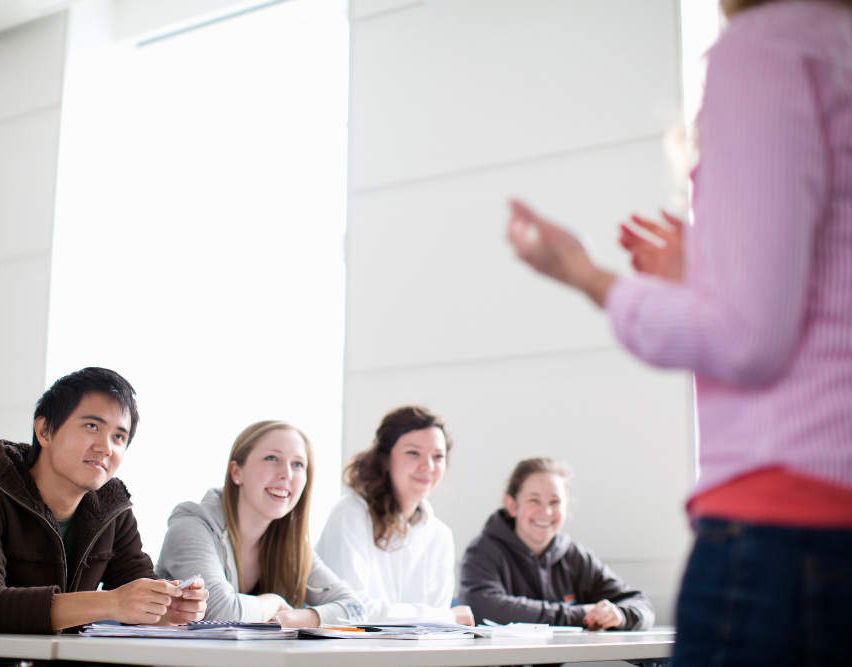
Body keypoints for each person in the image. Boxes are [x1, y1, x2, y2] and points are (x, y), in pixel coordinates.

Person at [506, 0, 852, 663]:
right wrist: (708, 272)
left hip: (786, 532)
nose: (548, 509)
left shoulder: (769, 48)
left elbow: (747, 338)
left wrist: (589, 277)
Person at [0, 367, 209, 634]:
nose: (105, 447)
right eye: (91, 426)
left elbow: (134, 589)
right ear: (45, 431)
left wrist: (170, 609)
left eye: (119, 436)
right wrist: (110, 603)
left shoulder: (113, 508)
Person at [156, 421, 365, 626]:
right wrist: (272, 603)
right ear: (237, 472)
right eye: (272, 458)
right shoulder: (192, 524)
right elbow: (220, 613)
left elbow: (355, 609)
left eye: (298, 464)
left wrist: (286, 619)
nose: (287, 474)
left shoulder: (291, 545)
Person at [317, 406, 474, 625]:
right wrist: (443, 616)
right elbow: (349, 610)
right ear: (384, 458)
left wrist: (439, 618)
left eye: (438, 456)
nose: (428, 466)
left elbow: (436, 628)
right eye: (413, 453)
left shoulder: (440, 536)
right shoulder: (350, 513)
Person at [458, 458, 654, 630]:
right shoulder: (482, 552)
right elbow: (482, 608)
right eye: (534, 500)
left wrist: (619, 616)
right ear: (512, 505)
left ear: (566, 506)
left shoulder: (576, 557)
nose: (546, 512)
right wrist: (578, 615)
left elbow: (641, 605)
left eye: (555, 501)